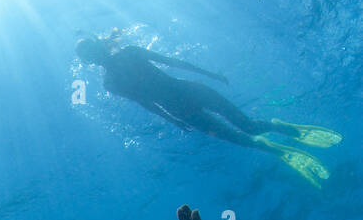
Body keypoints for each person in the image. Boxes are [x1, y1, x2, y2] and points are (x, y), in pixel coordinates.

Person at [76, 35, 341, 187]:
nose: (97, 55)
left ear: (99, 48)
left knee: (248, 127)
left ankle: (281, 127)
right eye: (91, 54)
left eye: (93, 50)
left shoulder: (129, 55)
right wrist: (173, 120)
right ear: (92, 59)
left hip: (193, 92)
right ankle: (275, 149)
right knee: (243, 139)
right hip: (185, 110)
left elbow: (172, 62)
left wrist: (210, 74)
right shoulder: (110, 83)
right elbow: (145, 103)